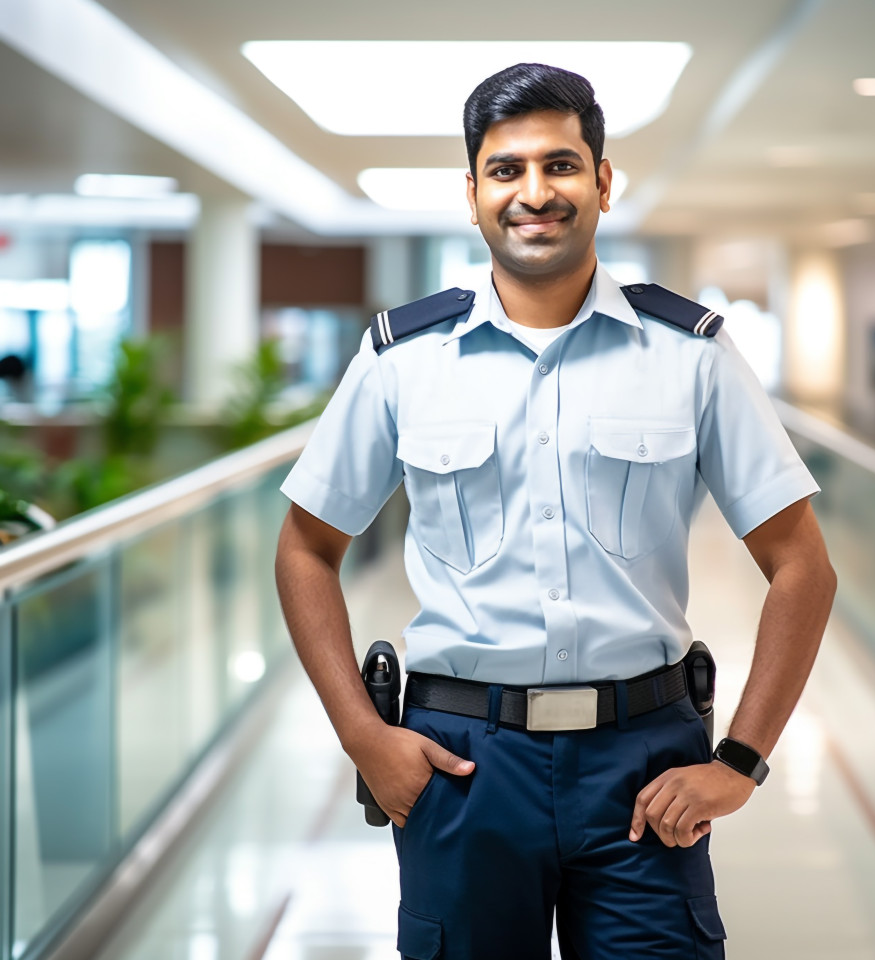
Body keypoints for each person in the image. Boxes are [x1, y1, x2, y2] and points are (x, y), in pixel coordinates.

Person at [275, 62, 836, 960]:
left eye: (561, 165)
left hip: (644, 765)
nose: (534, 192)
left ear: (603, 181)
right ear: (472, 193)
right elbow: (306, 546)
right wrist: (363, 737)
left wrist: (739, 762)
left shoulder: (690, 353)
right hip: (461, 767)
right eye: (506, 170)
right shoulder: (401, 358)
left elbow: (803, 565)